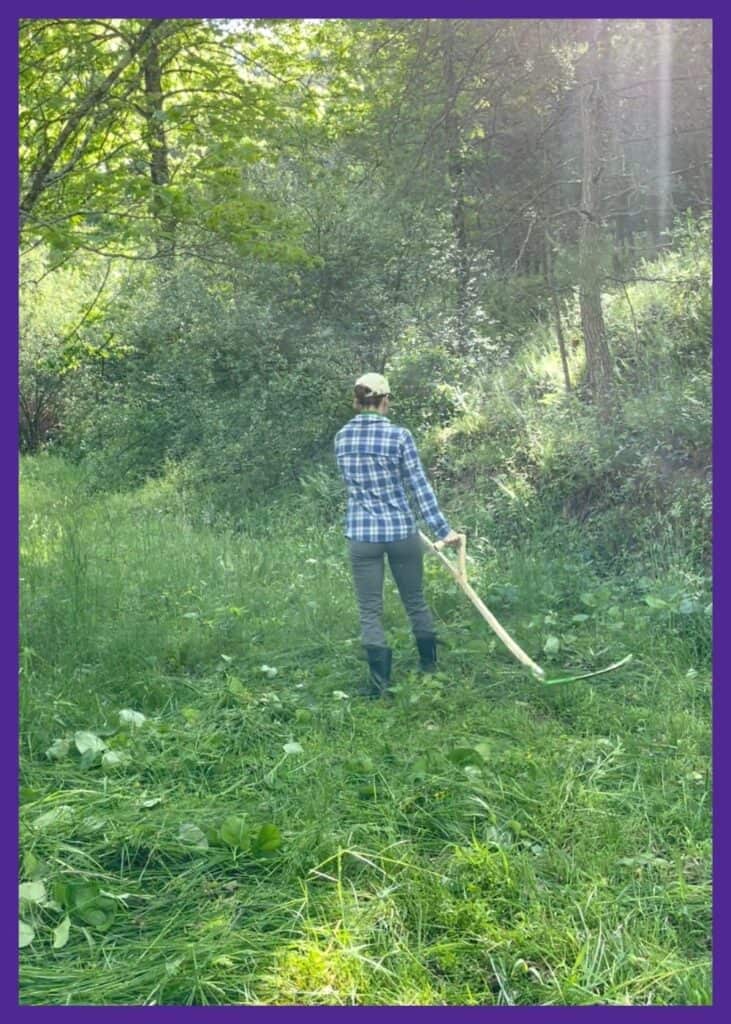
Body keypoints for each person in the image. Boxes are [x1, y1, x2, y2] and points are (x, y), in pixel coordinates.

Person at [334, 372, 462, 697]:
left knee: (369, 610)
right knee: (415, 600)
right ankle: (429, 667)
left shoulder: (342, 438)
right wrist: (444, 532)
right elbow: (419, 489)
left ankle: (379, 685)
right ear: (385, 401)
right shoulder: (399, 437)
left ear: (355, 402)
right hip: (401, 533)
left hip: (362, 536)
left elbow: (354, 486)